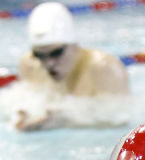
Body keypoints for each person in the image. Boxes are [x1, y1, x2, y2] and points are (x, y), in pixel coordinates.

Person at [15, 1, 130, 131]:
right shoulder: (30, 63)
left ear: (74, 45)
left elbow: (120, 120)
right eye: (39, 55)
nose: (48, 63)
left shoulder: (104, 67)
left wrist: (69, 120)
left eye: (56, 53)